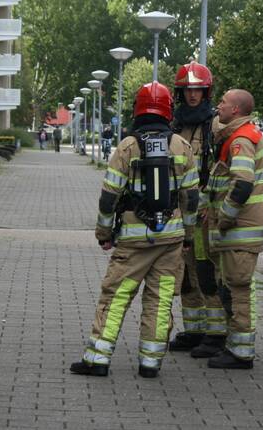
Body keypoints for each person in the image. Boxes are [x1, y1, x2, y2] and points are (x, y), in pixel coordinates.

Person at [70, 82, 199, 378]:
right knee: (160, 298)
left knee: (116, 296)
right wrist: (188, 237)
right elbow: (191, 198)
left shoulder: (127, 147)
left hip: (133, 241)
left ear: (138, 109)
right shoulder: (182, 146)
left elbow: (109, 196)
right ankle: (150, 363)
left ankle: (98, 359)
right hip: (171, 239)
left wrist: (104, 232)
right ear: (168, 109)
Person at [166, 62, 227, 358]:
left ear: (206, 92)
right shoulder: (173, 124)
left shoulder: (215, 124)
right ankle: (194, 330)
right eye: (188, 90)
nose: (193, 95)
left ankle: (215, 334)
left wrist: (214, 203)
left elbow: (227, 167)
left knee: (206, 271)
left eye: (198, 90)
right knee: (186, 274)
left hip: (203, 212)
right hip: (179, 211)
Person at [205, 89, 263, 369]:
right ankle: (236, 347)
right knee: (231, 287)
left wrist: (224, 217)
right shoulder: (237, 135)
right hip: (238, 230)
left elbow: (242, 183)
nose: (218, 105)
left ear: (236, 110)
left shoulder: (240, 139)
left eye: (223, 102)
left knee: (238, 290)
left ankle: (241, 353)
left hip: (239, 230)